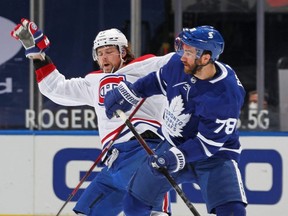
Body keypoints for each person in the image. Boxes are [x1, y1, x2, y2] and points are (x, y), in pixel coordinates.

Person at [11, 18, 174, 216]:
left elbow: (182, 62)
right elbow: (54, 88)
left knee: (150, 212)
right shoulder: (93, 81)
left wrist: (194, 45)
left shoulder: (146, 66)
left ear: (123, 52)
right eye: (100, 53)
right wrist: (37, 54)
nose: (103, 57)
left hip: (142, 152)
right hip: (113, 163)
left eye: (109, 51)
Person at [104, 26, 248, 215]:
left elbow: (208, 143)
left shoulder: (225, 94)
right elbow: (157, 81)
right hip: (172, 144)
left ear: (205, 58)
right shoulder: (178, 65)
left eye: (188, 52)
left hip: (214, 156)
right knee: (134, 204)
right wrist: (130, 93)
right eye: (183, 49)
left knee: (232, 211)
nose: (182, 56)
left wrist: (175, 157)